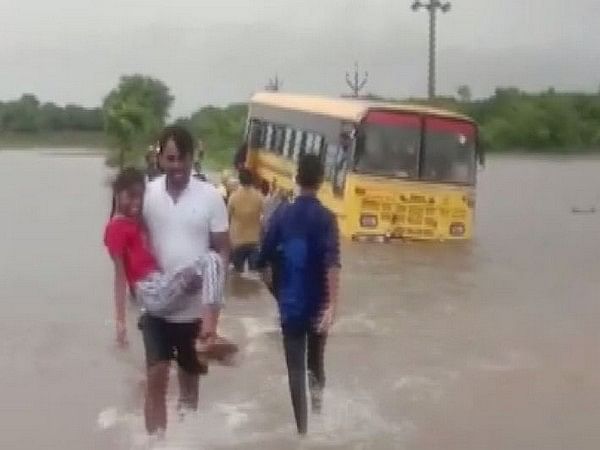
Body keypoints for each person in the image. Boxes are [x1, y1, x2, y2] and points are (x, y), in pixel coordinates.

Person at [141, 126, 230, 435]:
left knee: (189, 388)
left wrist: (209, 286)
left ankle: (185, 438)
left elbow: (222, 250)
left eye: (182, 159)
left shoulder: (210, 197)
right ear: (160, 159)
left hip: (193, 311)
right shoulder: (148, 194)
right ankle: (156, 442)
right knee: (155, 378)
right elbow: (134, 241)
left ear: (193, 159)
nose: (176, 166)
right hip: (158, 307)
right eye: (170, 159)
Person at [258, 154, 341, 435]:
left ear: (296, 178)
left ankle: (302, 432)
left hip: (291, 303)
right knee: (315, 361)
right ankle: (318, 414)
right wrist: (332, 305)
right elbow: (332, 263)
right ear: (321, 181)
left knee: (295, 369)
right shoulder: (328, 218)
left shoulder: (282, 214)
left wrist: (276, 290)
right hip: (318, 302)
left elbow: (263, 258)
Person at [104, 168, 224, 345]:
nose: (136, 202)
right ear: (117, 194)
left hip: (161, 286)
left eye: (140, 196)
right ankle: (208, 334)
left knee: (212, 264)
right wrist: (120, 321)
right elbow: (120, 277)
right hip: (150, 291)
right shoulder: (116, 228)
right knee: (211, 260)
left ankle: (208, 332)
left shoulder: (136, 222)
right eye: (131, 196)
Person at [227, 168, 264, 273]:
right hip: (254, 240)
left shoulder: (233, 197)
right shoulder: (259, 196)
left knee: (237, 274)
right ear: (251, 180)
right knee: (254, 275)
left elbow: (227, 219)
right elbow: (264, 217)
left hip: (237, 241)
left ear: (240, 180)